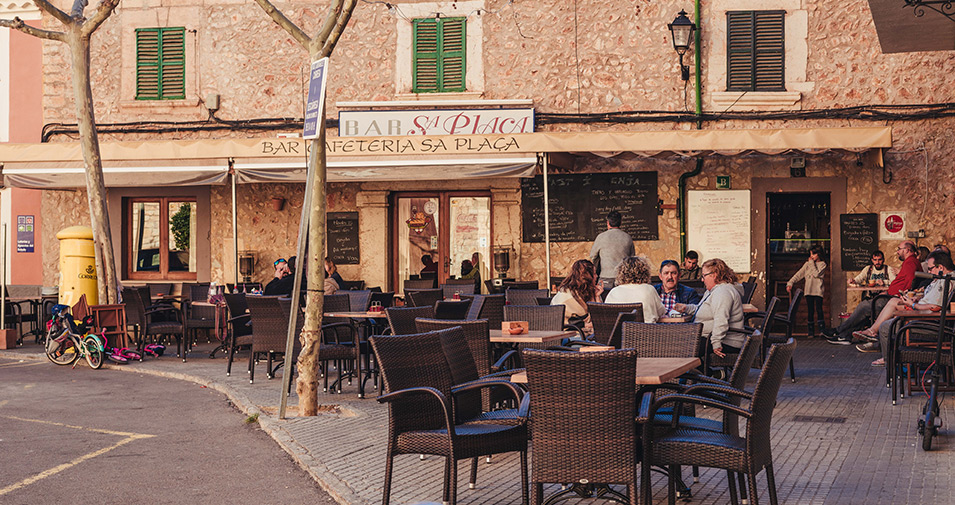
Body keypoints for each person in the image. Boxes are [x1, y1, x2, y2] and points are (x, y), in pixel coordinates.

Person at [861, 250, 954, 366]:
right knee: (893, 308)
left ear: (940, 267)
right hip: (922, 317)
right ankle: (891, 357)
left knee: (886, 326)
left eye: (930, 268)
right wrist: (916, 299)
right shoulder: (940, 279)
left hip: (929, 323)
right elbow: (932, 301)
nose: (929, 272)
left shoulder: (946, 281)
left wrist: (913, 305)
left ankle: (890, 361)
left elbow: (935, 307)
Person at [824, 240, 922, 345]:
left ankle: (839, 331)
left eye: (899, 249)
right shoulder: (909, 262)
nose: (897, 251)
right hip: (889, 296)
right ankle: (845, 336)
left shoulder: (910, 262)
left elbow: (909, 283)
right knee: (867, 310)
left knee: (864, 307)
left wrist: (894, 294)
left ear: (907, 250)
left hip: (894, 299)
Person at [674, 258, 745, 359]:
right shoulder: (713, 291)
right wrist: (686, 308)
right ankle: (707, 373)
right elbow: (702, 309)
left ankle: (708, 373)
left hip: (726, 342)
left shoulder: (722, 292)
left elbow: (721, 319)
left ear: (714, 274)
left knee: (681, 349)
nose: (702, 280)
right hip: (707, 337)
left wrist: (716, 343)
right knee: (678, 344)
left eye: (704, 276)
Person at [605, 256, 668, 323]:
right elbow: (661, 312)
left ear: (621, 273)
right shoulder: (649, 289)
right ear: (645, 272)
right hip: (646, 331)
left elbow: (607, 315)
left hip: (619, 332)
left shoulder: (614, 292)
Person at [551, 259, 603, 333]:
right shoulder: (567, 295)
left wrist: (597, 297)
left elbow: (599, 318)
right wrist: (586, 325)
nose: (597, 276)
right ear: (587, 277)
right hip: (568, 335)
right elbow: (561, 320)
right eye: (594, 274)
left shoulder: (589, 293)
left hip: (584, 334)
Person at [787, 245, 827, 337]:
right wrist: (790, 283)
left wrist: (811, 263)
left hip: (818, 291)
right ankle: (811, 332)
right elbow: (799, 274)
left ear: (819, 254)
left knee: (819, 310)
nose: (812, 256)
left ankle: (822, 331)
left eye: (813, 254)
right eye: (811, 254)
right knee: (810, 310)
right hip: (808, 290)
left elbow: (816, 274)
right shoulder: (807, 264)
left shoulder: (823, 264)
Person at [589, 210, 635, 292]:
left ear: (608, 222)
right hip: (623, 279)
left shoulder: (601, 237)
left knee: (604, 302)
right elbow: (632, 259)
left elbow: (593, 256)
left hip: (605, 277)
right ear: (621, 222)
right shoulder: (628, 238)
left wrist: (597, 270)